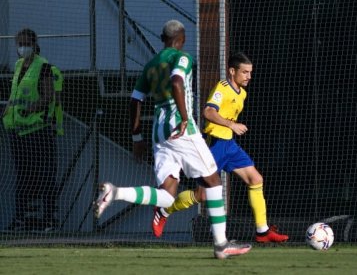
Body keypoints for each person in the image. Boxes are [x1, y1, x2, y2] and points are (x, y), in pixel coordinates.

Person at [94, 20, 251, 259]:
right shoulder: (182, 58)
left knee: (167, 195)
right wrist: (186, 118)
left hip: (159, 131)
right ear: (182, 38)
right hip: (181, 128)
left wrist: (137, 137)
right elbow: (177, 82)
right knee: (213, 182)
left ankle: (115, 193)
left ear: (162, 37)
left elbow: (135, 100)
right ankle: (221, 245)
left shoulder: (150, 65)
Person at [152, 52, 289, 243]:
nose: (249, 76)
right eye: (245, 72)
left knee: (256, 179)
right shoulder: (222, 88)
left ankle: (262, 231)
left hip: (229, 145)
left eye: (250, 72)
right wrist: (231, 125)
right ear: (232, 71)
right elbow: (208, 111)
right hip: (214, 145)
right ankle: (165, 209)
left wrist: (230, 129)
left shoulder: (242, 93)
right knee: (202, 196)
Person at [2, 28, 61, 232]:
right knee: (23, 175)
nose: (22, 47)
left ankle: (49, 219)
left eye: (26, 43)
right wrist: (7, 112)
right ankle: (22, 219)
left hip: (37, 129)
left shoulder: (43, 66)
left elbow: (48, 96)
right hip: (18, 130)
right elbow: (15, 94)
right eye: (19, 43)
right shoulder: (18, 65)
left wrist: (31, 109)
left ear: (34, 44)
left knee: (44, 174)